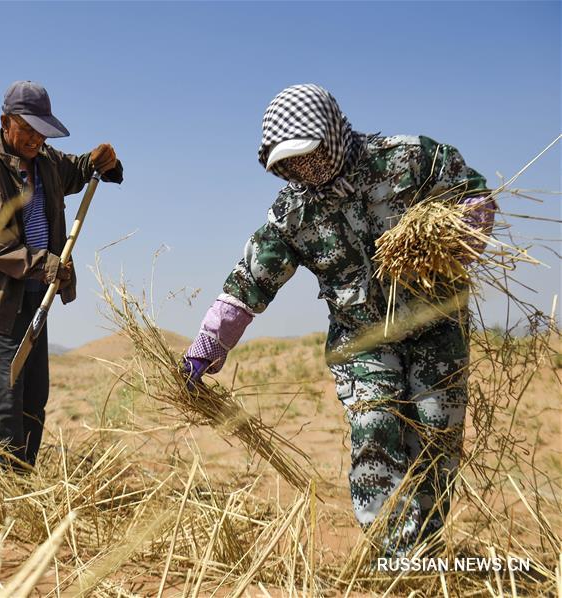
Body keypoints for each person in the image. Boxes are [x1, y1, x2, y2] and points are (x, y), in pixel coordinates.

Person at [183, 84, 496, 558]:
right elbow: (249, 282)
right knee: (375, 430)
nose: (303, 169)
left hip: (437, 328)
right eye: (288, 164)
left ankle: (422, 551)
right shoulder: (293, 213)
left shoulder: (409, 159)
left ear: (331, 133)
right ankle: (392, 553)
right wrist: (208, 346)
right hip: (362, 341)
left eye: (308, 155)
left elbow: (473, 194)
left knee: (435, 441)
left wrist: (460, 234)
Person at [0, 80, 123, 472]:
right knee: (8, 401)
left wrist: (102, 160)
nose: (35, 139)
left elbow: (80, 169)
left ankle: (23, 483)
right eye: (27, 129)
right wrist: (47, 266)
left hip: (33, 298)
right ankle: (0, 493)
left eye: (41, 131)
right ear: (5, 122)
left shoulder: (44, 161)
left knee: (34, 399)